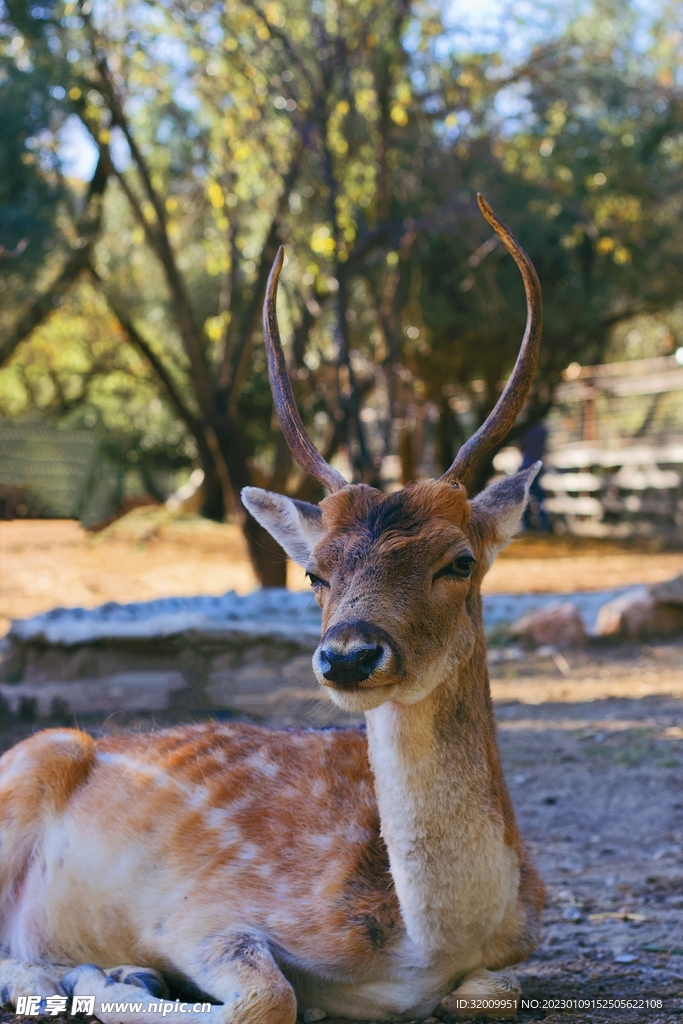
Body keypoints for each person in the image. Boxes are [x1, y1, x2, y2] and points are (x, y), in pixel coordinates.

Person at [517, 418, 549, 531]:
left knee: (524, 497)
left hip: (526, 466)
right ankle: (543, 525)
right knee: (539, 498)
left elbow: (520, 446)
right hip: (538, 465)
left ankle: (525, 525)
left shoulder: (527, 430)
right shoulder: (543, 430)